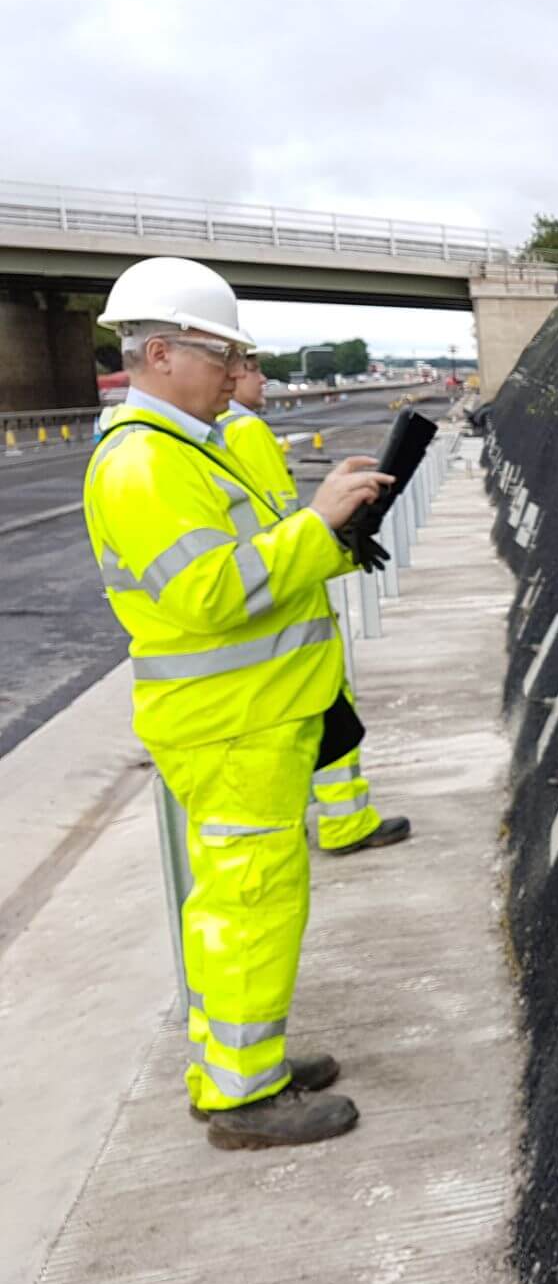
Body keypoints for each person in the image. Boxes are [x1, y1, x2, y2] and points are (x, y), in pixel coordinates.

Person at [83, 257, 392, 1151]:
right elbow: (214, 593)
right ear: (163, 352)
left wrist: (337, 536)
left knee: (249, 898)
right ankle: (242, 1096)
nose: (235, 370)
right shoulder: (144, 464)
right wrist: (314, 522)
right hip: (231, 724)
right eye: (222, 353)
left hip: (256, 715)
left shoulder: (190, 447)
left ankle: (240, 1065)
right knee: (248, 899)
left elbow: (265, 569)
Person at [223, 355, 412, 856]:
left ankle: (337, 820)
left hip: (271, 620)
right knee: (329, 722)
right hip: (290, 621)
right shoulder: (244, 431)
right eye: (250, 367)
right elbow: (280, 528)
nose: (262, 378)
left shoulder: (216, 433)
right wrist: (335, 535)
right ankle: (345, 822)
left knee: (321, 726)